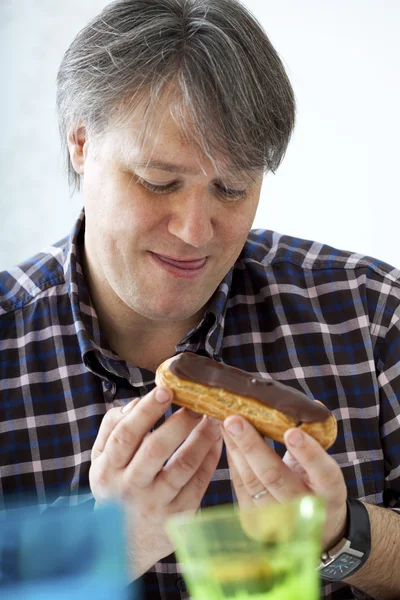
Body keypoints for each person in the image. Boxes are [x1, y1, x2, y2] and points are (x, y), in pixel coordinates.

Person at [0, 0, 399, 598]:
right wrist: (110, 546)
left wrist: (341, 534)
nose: (195, 231)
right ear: (80, 142)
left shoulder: (371, 318)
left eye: (232, 188)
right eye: (158, 182)